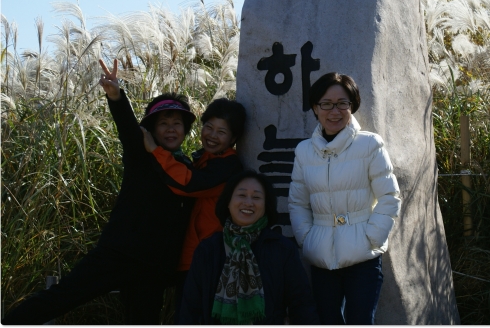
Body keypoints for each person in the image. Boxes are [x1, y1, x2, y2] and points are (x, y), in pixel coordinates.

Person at [2, 58, 219, 324]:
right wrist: (116, 96)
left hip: (154, 267)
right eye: (163, 123)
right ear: (151, 130)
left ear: (185, 130)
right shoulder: (142, 154)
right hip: (118, 253)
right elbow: (128, 128)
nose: (171, 128)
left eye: (177, 123)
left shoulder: (187, 166)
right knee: (62, 296)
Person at [288, 72, 401, 325]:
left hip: (363, 257)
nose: (334, 111)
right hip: (321, 257)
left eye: (342, 103)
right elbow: (298, 202)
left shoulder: (370, 144)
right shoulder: (304, 151)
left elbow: (389, 196)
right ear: (315, 108)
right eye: (326, 104)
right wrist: (307, 239)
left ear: (353, 105)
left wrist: (372, 237)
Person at [141, 98, 245, 321]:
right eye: (209, 127)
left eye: (221, 132)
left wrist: (156, 151)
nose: (212, 136)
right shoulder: (203, 159)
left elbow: (187, 184)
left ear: (234, 139)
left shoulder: (228, 167)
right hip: (192, 257)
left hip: (209, 258)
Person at [178, 170, 320, 325]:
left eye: (256, 197)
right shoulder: (208, 250)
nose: (248, 202)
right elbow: (190, 310)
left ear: (266, 205)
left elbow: (302, 305)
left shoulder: (282, 250)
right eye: (241, 195)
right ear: (228, 202)